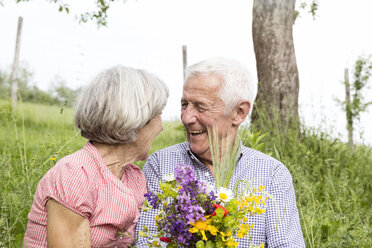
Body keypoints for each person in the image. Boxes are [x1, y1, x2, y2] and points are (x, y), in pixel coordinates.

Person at [135, 57, 305, 247]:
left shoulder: (272, 174)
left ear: (239, 112)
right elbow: (147, 241)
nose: (186, 117)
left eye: (200, 106)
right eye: (184, 105)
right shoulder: (161, 164)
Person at [23, 65, 169, 248]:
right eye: (158, 115)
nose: (161, 126)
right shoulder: (76, 175)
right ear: (135, 120)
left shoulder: (133, 177)